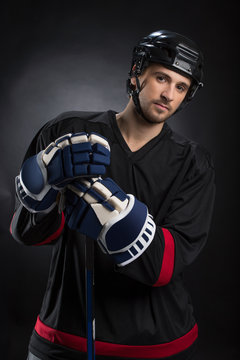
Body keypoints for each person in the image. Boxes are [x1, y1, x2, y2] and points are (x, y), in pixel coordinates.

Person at [10, 30, 215, 360]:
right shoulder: (65, 132)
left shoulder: (194, 163)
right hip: (63, 339)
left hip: (156, 343)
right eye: (161, 77)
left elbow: (164, 266)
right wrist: (45, 186)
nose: (169, 94)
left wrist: (117, 218)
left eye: (181, 87)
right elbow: (26, 233)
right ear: (136, 73)